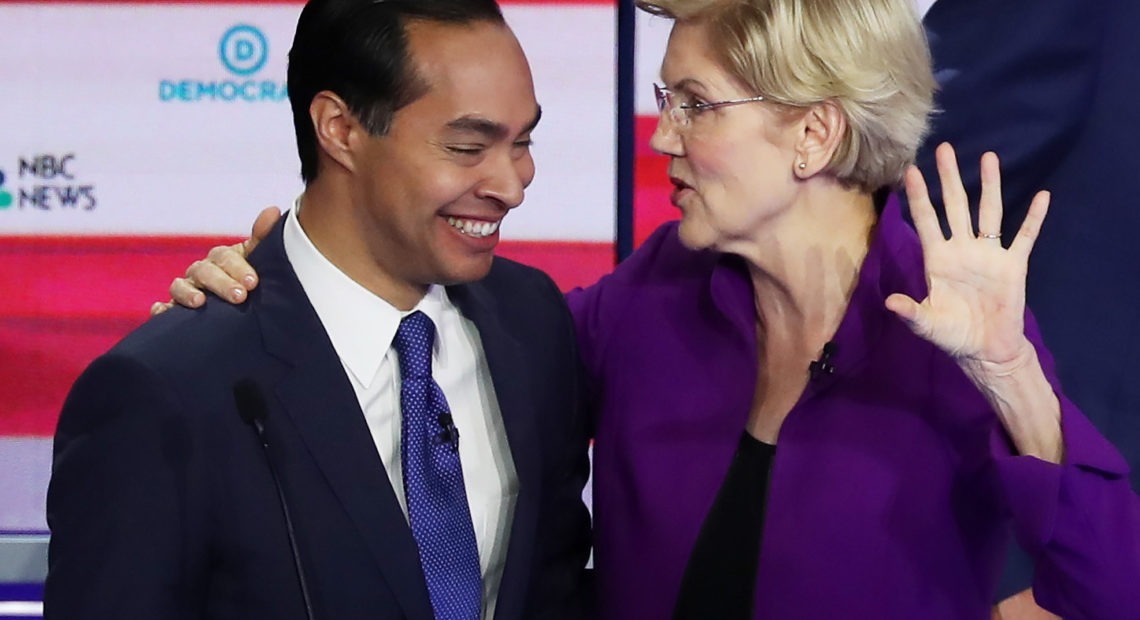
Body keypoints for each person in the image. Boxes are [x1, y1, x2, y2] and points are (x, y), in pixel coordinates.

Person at [161, 0, 1140, 617]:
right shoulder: (656, 295)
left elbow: (1111, 590)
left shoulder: (946, 315)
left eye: (695, 106)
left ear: (812, 133)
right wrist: (292, 282)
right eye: (663, 97)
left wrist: (1015, 380)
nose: (662, 135)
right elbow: (474, 349)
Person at [45, 1, 592, 618]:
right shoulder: (168, 392)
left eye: (522, 141)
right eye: (468, 147)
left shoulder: (533, 323)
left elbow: (555, 586)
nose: (513, 184)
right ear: (340, 129)